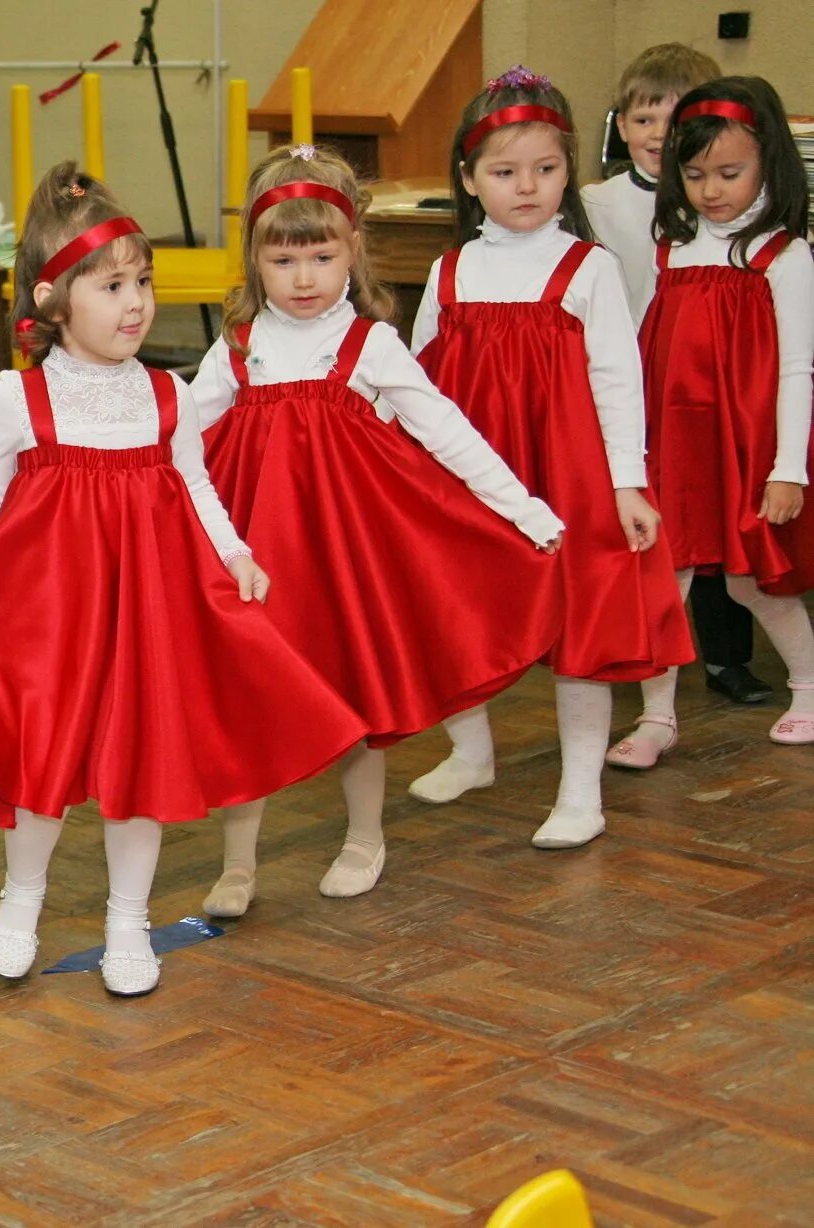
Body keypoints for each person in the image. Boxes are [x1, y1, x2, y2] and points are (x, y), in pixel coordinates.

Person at [0, 163, 366, 996]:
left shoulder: (166, 395)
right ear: (50, 303)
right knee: (42, 760)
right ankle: (20, 900)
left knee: (138, 767)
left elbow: (195, 487)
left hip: (147, 613)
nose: (135, 303)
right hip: (54, 615)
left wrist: (233, 554)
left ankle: (128, 917)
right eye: (112, 285)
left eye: (143, 282)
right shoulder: (21, 399)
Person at [190, 145, 563, 910]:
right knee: (248, 698)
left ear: (352, 252)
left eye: (321, 257)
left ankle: (364, 836)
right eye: (284, 260)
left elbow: (447, 432)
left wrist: (522, 509)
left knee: (356, 696)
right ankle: (237, 862)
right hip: (257, 558)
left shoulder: (369, 345)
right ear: (254, 261)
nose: (303, 279)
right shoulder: (237, 350)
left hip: (346, 560)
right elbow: (178, 443)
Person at [409, 66, 693, 848]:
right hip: (473, 479)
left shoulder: (587, 267)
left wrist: (627, 483)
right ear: (469, 180)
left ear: (569, 171)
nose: (526, 187)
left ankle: (578, 790)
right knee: (456, 613)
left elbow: (616, 379)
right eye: (503, 172)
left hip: (569, 477)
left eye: (545, 169)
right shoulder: (450, 269)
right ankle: (471, 752)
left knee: (581, 632)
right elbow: (414, 378)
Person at [606, 76, 814, 765]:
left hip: (746, 445)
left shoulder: (781, 256)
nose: (710, 190)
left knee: (750, 581)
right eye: (692, 175)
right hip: (676, 443)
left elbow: (794, 370)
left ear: (767, 164)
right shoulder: (671, 249)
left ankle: (809, 688)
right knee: (662, 577)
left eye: (728, 173)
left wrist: (787, 468)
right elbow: (643, 350)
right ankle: (658, 717)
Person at [583, 43, 770, 706]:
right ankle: (637, 656)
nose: (658, 133)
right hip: (624, 379)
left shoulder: (711, 198)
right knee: (652, 527)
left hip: (695, 381)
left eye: (674, 118)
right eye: (643, 118)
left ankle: (726, 657)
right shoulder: (595, 202)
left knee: (716, 520)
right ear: (621, 124)